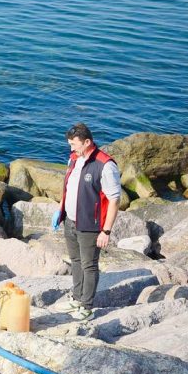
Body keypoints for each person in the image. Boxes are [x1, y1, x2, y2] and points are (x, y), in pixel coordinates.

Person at [51, 123, 121, 320]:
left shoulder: (105, 165)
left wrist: (106, 231)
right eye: (69, 144)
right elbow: (68, 188)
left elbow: (115, 199)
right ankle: (76, 297)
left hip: (91, 225)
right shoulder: (73, 159)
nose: (71, 148)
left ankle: (87, 307)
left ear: (87, 142)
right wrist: (60, 210)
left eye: (74, 144)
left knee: (89, 265)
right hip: (70, 221)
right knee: (75, 261)